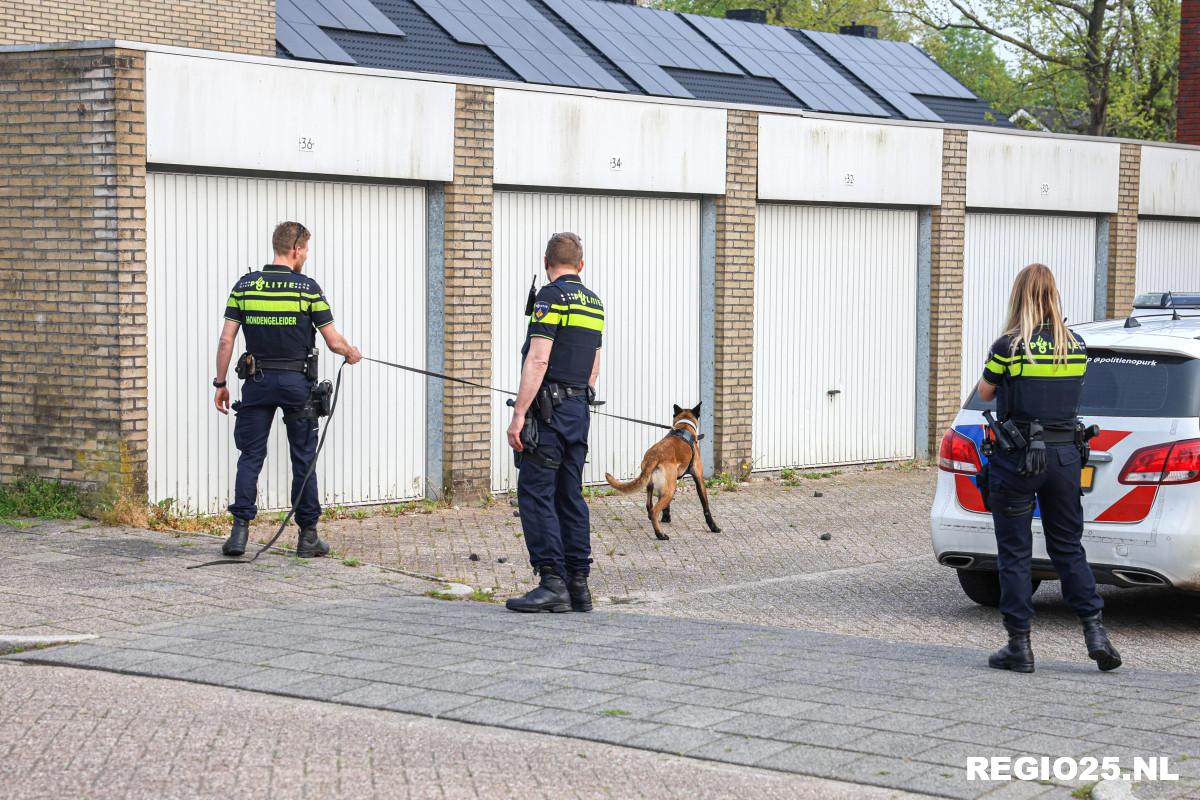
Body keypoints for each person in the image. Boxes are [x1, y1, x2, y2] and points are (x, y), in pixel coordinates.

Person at [976, 263, 1121, 673]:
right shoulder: (1074, 345)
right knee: (1068, 547)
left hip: (1018, 458)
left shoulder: (1009, 346)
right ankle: (1095, 631)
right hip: (1065, 458)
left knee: (1016, 553)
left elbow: (985, 391)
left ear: (1019, 295)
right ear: (1054, 295)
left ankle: (1019, 647)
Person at [213, 222, 361, 558]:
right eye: (306, 250)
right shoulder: (307, 289)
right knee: (303, 459)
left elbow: (226, 339)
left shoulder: (245, 286)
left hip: (257, 383)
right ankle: (307, 537)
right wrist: (350, 352)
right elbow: (333, 340)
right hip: (297, 385)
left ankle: (238, 535)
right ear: (296, 249)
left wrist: (221, 383)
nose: (306, 256)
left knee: (250, 456)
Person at [505, 232, 603, 613]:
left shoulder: (550, 296)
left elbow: (539, 359)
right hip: (578, 411)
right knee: (570, 495)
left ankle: (552, 582)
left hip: (548, 414)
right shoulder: (594, 303)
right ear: (581, 264)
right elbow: (594, 366)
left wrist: (519, 414)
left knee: (536, 493)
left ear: (547, 263)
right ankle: (579, 585)